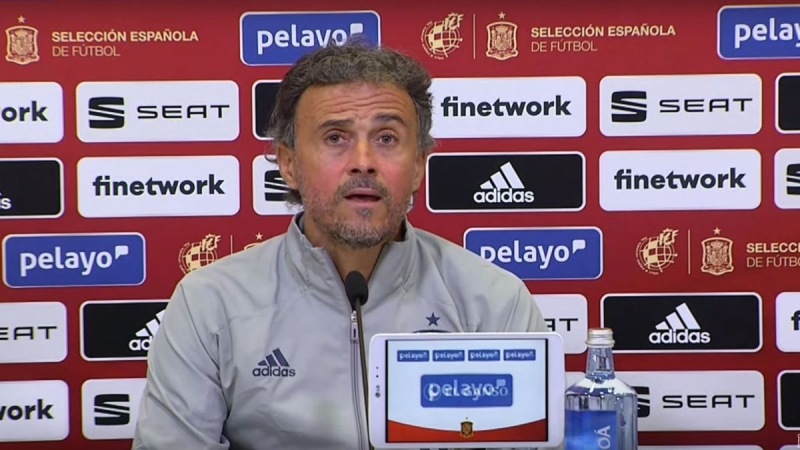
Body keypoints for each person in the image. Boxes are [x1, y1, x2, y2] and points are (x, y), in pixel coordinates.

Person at [132, 38, 553, 450]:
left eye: (386, 138)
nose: (363, 161)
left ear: (419, 166)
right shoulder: (210, 305)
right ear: (289, 164)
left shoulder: (492, 301)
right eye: (336, 137)